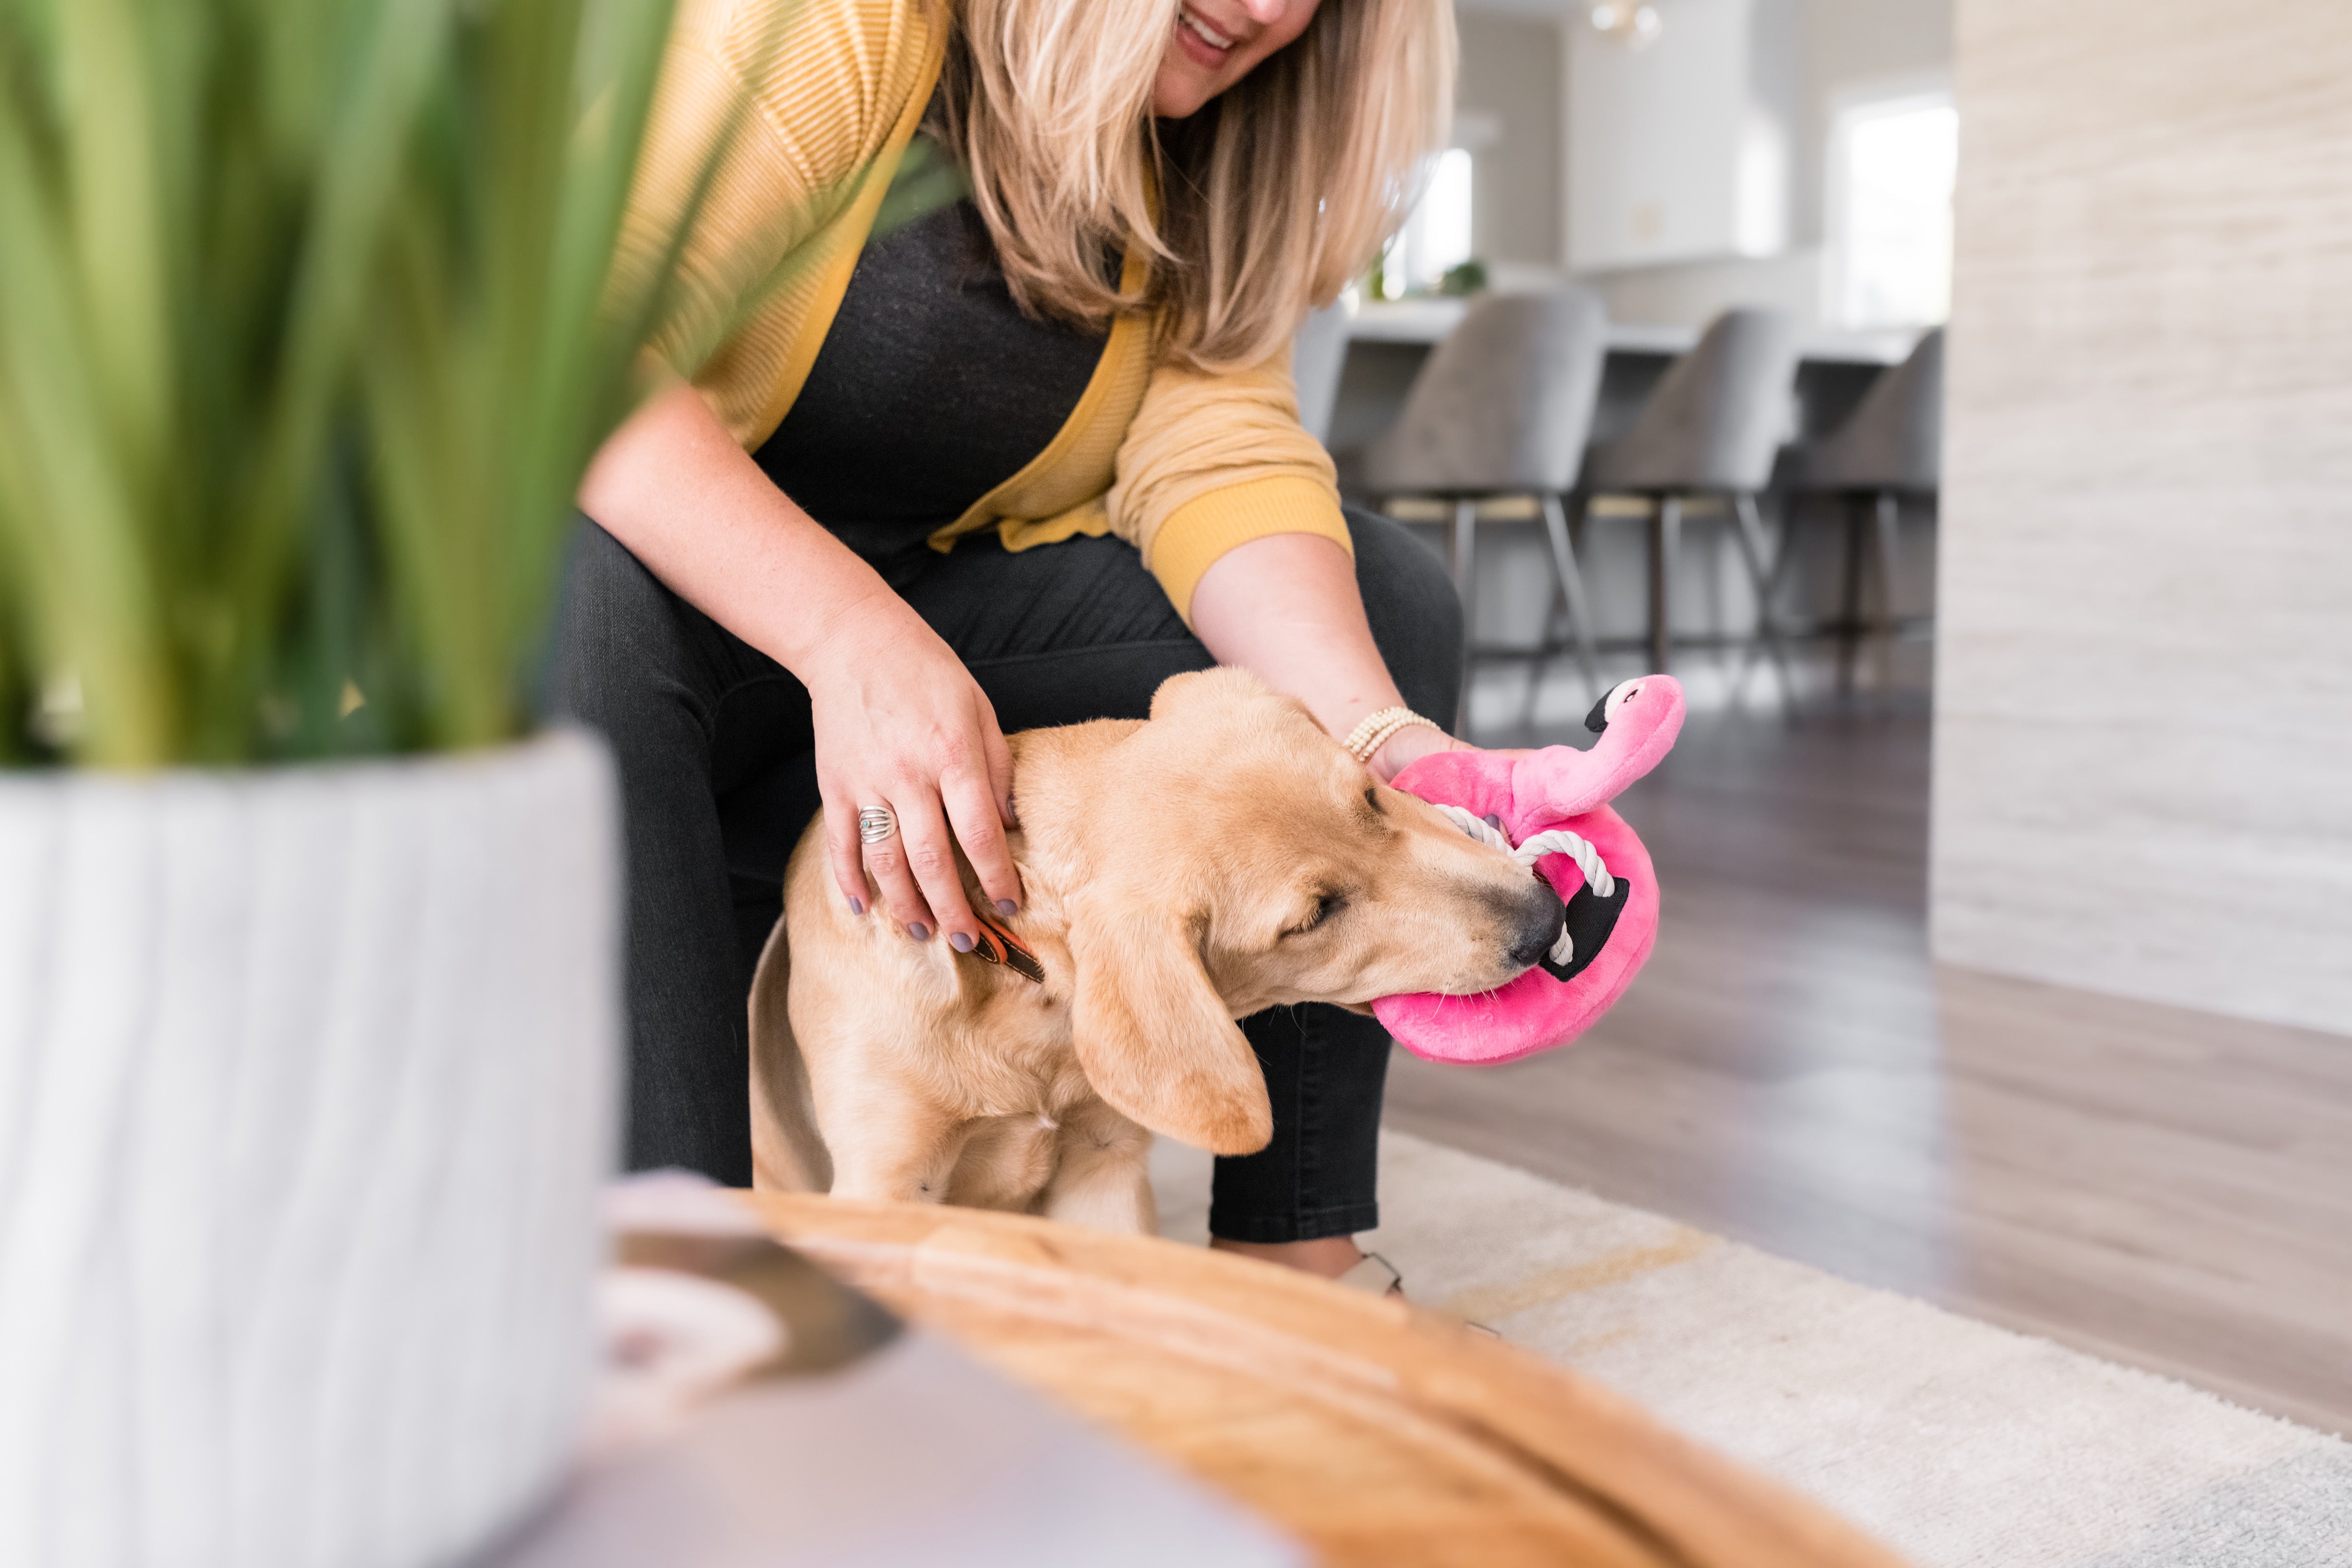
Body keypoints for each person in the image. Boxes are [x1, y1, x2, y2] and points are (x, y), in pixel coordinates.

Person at [559, 0, 1476, 1286]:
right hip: (659, 658)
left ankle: (1301, 1269)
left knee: (1383, 598)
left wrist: (1389, 753)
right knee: (570, 575)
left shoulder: (1201, 155)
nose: (1269, 6)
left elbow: (1224, 463)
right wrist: (852, 643)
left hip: (920, 651)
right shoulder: (841, 26)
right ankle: (679, 1311)